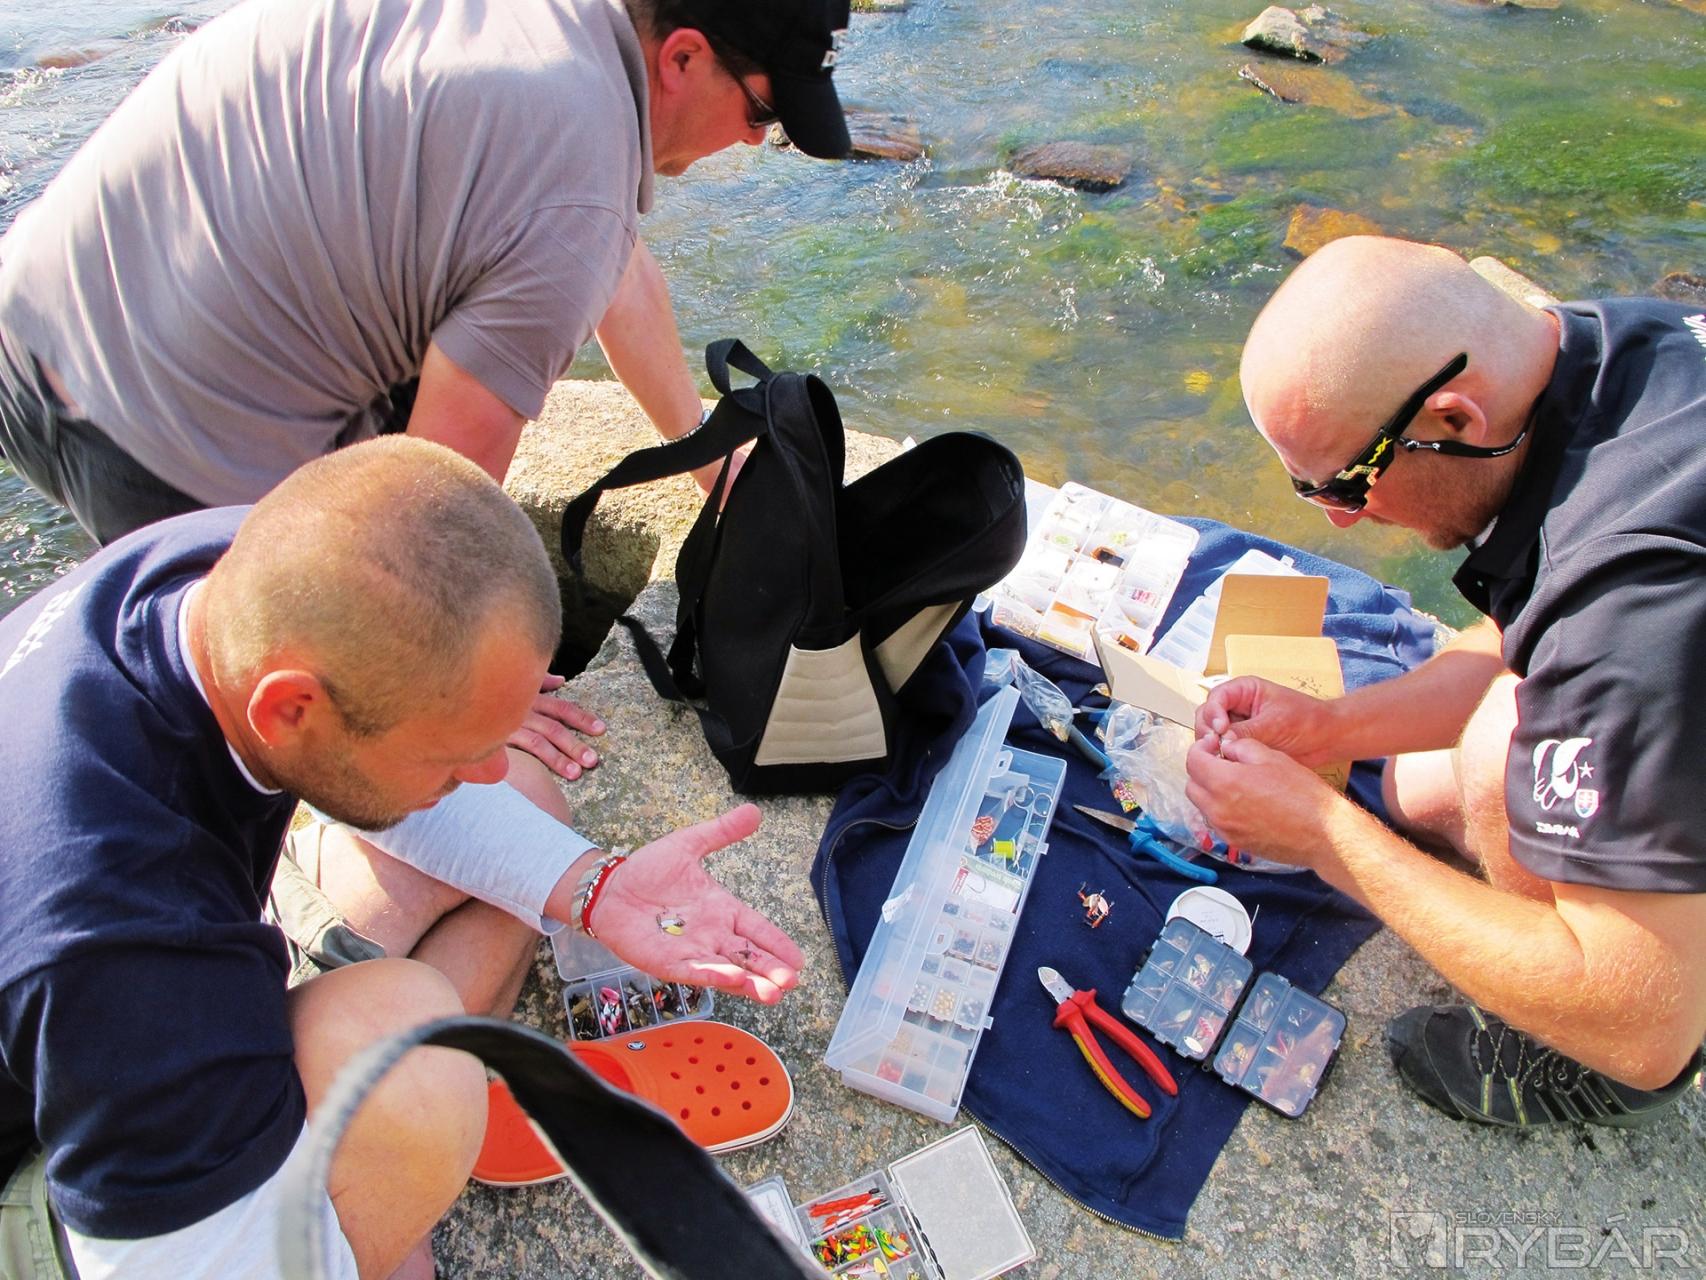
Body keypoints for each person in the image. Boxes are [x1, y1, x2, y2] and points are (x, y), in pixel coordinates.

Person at [0, 437, 802, 1280]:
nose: (482, 772)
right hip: (67, 1172)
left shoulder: (221, 573)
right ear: (291, 708)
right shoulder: (124, 944)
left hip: (103, 1034)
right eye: (447, 755)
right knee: (410, 1068)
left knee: (524, 807)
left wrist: (595, 889)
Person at [0, 0, 852, 781]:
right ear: (683, 57)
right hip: (152, 433)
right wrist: (469, 706)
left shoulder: (561, 38)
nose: (755, 143)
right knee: (289, 743)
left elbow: (611, 262)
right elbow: (431, 510)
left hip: (34, 319)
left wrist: (710, 461)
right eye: (762, 112)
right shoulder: (577, 180)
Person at [1185, 235, 1706, 1129]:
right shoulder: (1606, 348)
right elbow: (1531, 620)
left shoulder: (1627, 619)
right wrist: (1333, 729)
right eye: (1312, 491)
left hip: (1650, 1019)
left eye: (1349, 482)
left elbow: (1646, 1026)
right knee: (1450, 770)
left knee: (1509, 746)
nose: (1342, 521)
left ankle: (1590, 1074)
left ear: (1455, 419)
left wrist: (1321, 834)